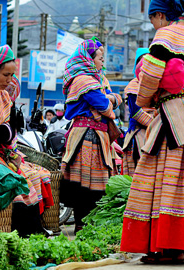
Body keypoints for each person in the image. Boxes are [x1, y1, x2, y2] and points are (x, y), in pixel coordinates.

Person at [120, 0, 184, 264]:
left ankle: (170, 248)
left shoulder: (165, 35)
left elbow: (151, 74)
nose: (153, 25)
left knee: (165, 177)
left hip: (174, 115)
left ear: (159, 15)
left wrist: (145, 99)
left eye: (152, 19)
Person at [0, 45, 53, 236]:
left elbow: (8, 129)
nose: (9, 80)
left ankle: (35, 231)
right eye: (6, 75)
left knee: (36, 176)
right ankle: (26, 234)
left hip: (2, 152)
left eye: (12, 75)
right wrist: (7, 132)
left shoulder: (3, 94)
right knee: (19, 182)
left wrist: (6, 134)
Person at [60, 39, 121, 234]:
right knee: (84, 184)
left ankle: (88, 225)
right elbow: (105, 107)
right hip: (87, 137)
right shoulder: (83, 80)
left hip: (97, 136)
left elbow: (110, 100)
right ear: (88, 59)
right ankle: (82, 224)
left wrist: (110, 99)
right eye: (100, 58)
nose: (103, 62)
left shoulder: (98, 79)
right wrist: (111, 99)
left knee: (95, 184)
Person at [122, 48, 155, 177]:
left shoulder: (155, 85)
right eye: (142, 60)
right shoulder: (133, 86)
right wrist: (156, 125)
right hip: (139, 132)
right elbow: (136, 112)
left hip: (154, 130)